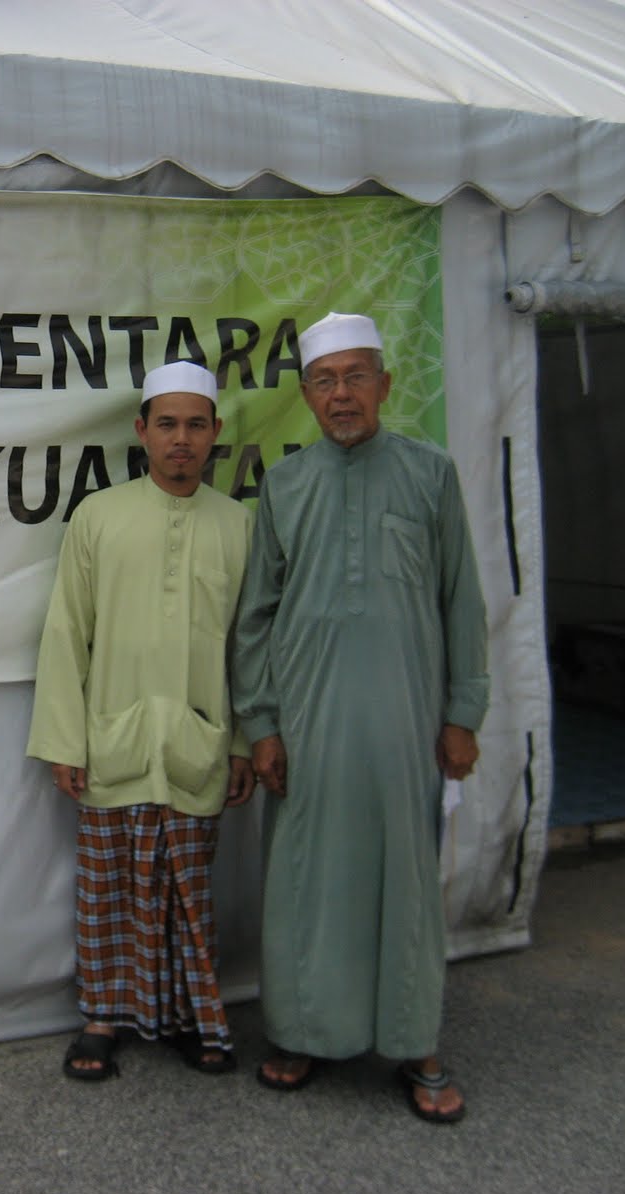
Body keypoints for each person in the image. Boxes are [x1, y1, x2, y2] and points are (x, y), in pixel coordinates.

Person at [230, 312, 488, 1123]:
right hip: (306, 720)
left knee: (405, 878)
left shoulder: (430, 474)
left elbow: (462, 601)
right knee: (307, 880)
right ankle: (302, 1032)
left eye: (355, 377)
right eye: (324, 380)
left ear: (385, 383)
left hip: (406, 720)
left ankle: (415, 1041)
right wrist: (262, 723)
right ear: (306, 393)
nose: (341, 395)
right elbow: (256, 617)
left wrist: (462, 712)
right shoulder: (285, 483)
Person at [27, 360, 255, 1082]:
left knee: (189, 892)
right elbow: (67, 631)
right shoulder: (100, 516)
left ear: (216, 433)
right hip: (113, 738)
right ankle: (102, 1018)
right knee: (105, 891)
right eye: (167, 425)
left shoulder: (239, 525)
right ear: (142, 432)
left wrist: (248, 740)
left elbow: (254, 647)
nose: (180, 439)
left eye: (195, 425)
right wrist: (66, 738)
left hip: (196, 740)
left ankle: (192, 1017)